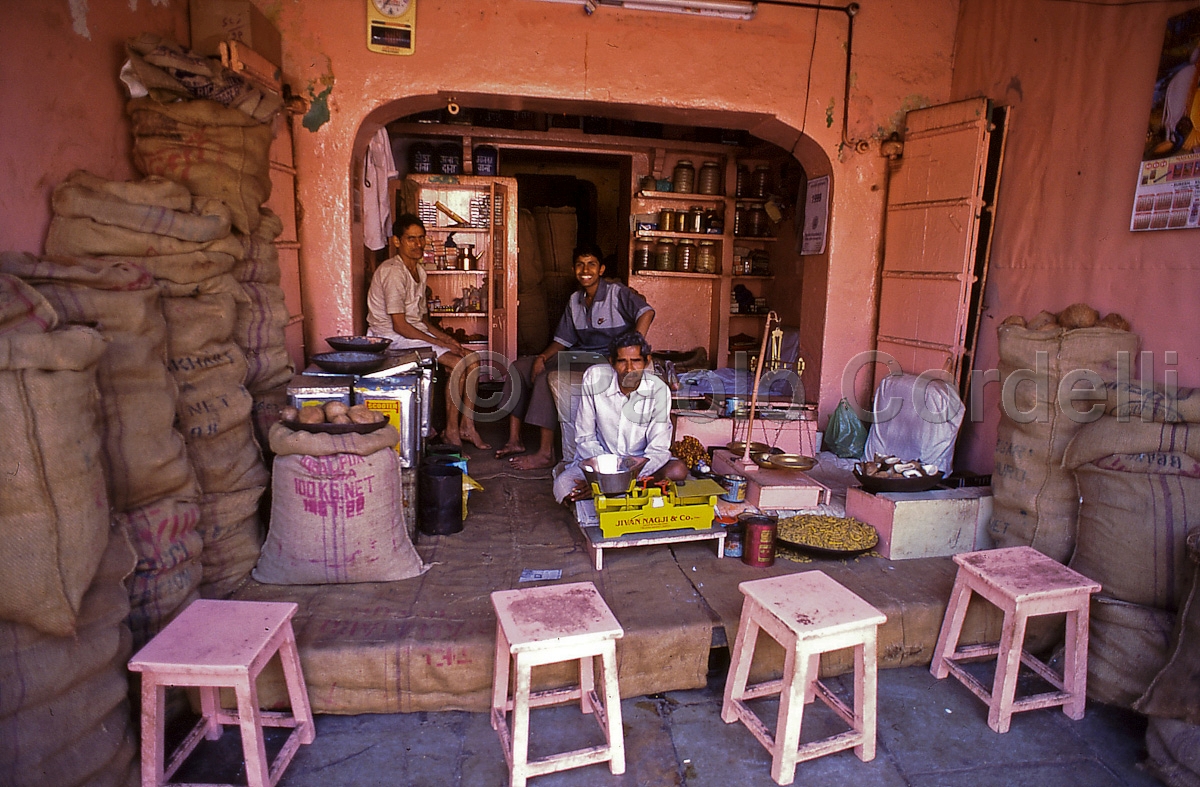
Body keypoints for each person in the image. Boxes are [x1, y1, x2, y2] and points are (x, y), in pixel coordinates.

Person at [496, 244, 655, 470]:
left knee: (545, 378)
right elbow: (563, 340)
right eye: (580, 265)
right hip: (579, 356)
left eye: (591, 264)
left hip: (605, 360)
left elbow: (646, 312)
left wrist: (632, 347)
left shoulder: (616, 292)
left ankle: (545, 453)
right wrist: (542, 356)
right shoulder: (575, 300)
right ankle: (514, 440)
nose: (585, 270)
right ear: (573, 269)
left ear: (601, 269)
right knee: (520, 367)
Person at [366, 213, 489, 449]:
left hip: (412, 332)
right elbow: (400, 325)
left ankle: (467, 426)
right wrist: (442, 345)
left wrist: (448, 340)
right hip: (390, 337)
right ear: (397, 241)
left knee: (472, 361)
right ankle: (451, 431)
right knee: (458, 364)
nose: (418, 244)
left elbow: (423, 321)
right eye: (411, 239)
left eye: (421, 238)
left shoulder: (419, 272)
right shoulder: (393, 271)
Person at [553, 331, 688, 504]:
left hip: (639, 468)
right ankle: (625, 491)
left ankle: (616, 490)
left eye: (636, 361)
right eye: (622, 361)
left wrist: (621, 480)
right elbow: (585, 437)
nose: (629, 369)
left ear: (647, 361)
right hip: (600, 462)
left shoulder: (659, 391)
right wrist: (605, 476)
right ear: (612, 362)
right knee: (563, 487)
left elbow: (658, 449)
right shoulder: (595, 378)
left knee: (677, 470)